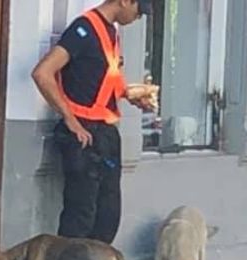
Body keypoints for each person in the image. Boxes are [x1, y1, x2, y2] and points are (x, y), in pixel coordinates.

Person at [31, 0, 154, 244]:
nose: (138, 18)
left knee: (107, 216)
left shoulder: (112, 32)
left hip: (106, 133)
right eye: (138, 11)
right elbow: (42, 73)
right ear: (125, 1)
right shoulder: (83, 30)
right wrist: (70, 120)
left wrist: (133, 96)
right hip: (82, 135)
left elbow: (101, 81)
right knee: (80, 216)